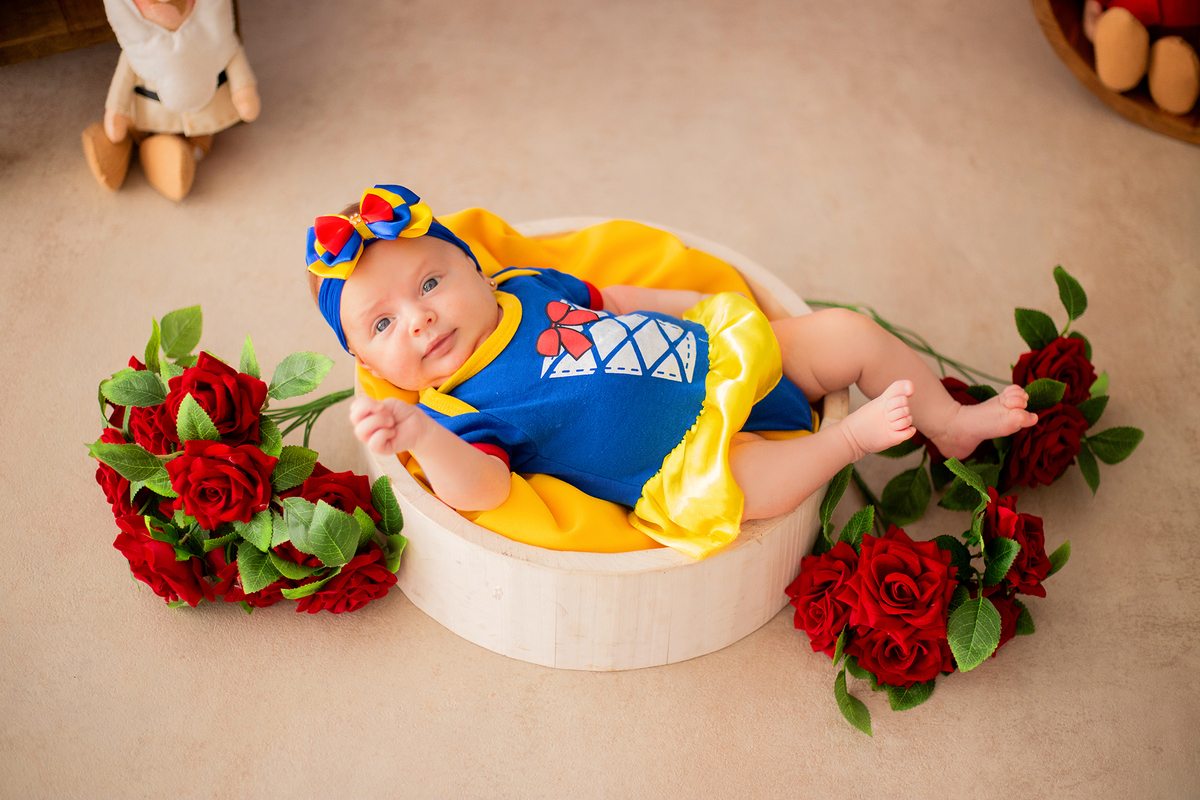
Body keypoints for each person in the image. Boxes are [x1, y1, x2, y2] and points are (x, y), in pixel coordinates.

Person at [308, 185, 1037, 559]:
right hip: (691, 459)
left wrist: (704, 307)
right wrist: (419, 435)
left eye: (430, 284)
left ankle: (950, 423)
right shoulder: (455, 411)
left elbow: (616, 297)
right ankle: (848, 442)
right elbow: (486, 488)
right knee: (752, 492)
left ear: (471, 265)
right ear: (367, 364)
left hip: (722, 361)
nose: (420, 318)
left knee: (844, 333)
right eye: (382, 325)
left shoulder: (527, 287)